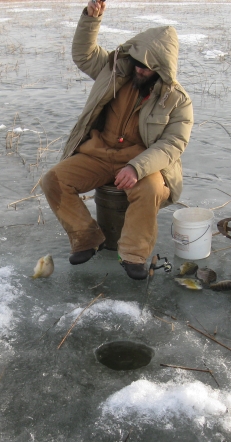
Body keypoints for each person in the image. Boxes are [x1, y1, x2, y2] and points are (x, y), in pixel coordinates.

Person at [40, 0, 193, 280]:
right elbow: (83, 55)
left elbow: (173, 145)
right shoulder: (114, 69)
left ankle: (134, 255)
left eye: (148, 68)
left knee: (151, 191)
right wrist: (91, 18)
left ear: (162, 69)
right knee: (54, 180)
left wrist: (137, 168)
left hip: (142, 162)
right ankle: (87, 238)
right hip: (97, 154)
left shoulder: (177, 101)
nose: (140, 70)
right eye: (139, 64)